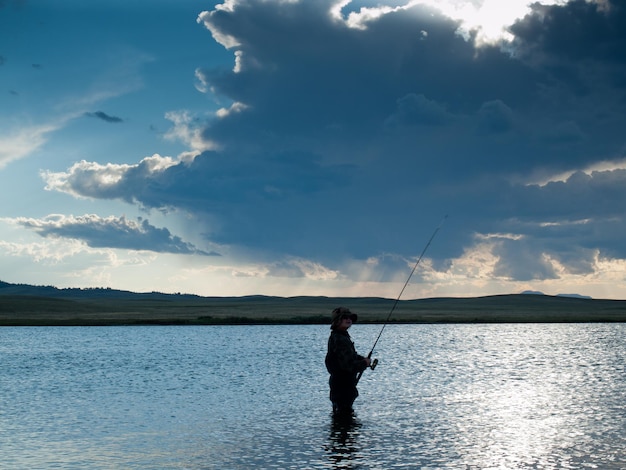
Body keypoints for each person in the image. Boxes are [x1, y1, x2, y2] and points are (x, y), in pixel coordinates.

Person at [325, 307, 371, 415]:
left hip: (341, 384)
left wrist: (361, 359)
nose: (348, 319)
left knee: (341, 419)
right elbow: (348, 365)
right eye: (344, 317)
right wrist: (364, 363)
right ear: (337, 321)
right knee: (344, 415)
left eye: (350, 317)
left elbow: (348, 356)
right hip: (342, 385)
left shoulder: (340, 336)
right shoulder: (340, 338)